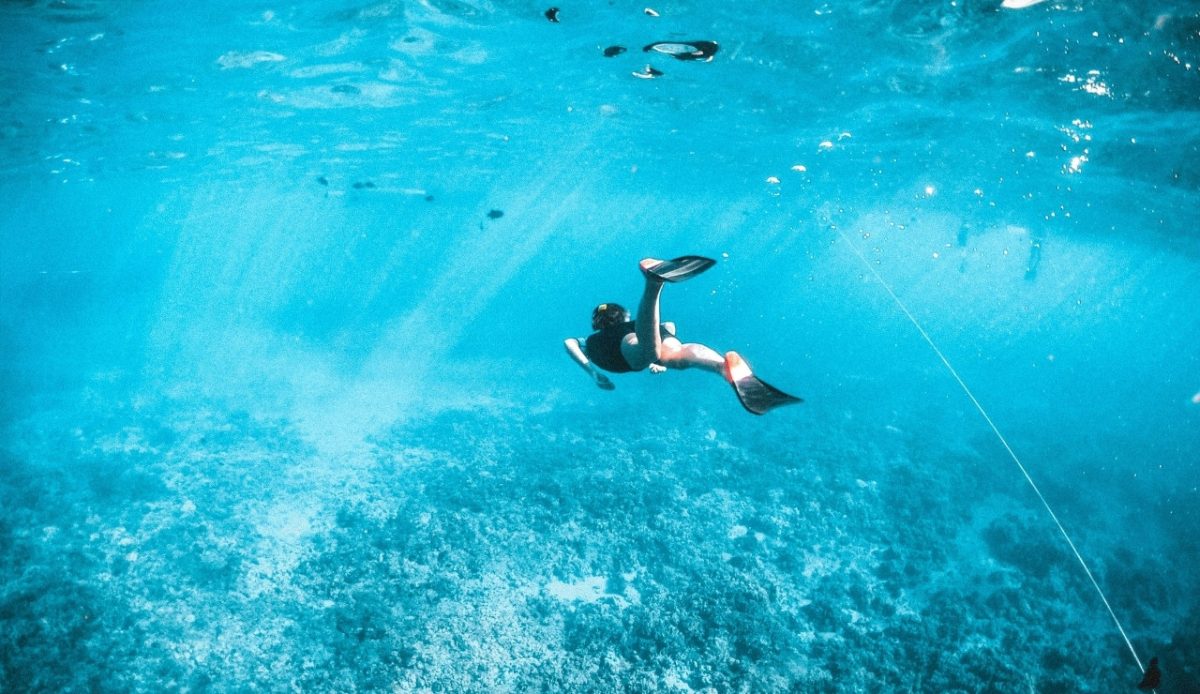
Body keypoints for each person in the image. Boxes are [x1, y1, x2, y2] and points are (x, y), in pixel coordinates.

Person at [563, 257, 801, 415]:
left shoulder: (595, 339)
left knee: (648, 352)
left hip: (622, 347)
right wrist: (657, 357)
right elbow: (669, 326)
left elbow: (569, 342)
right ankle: (721, 366)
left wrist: (592, 372)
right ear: (623, 316)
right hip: (646, 331)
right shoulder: (632, 325)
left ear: (598, 323)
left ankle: (653, 284)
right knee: (678, 355)